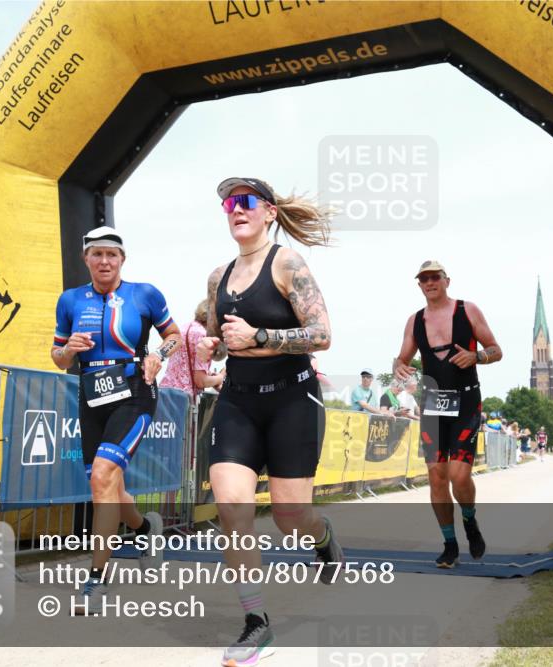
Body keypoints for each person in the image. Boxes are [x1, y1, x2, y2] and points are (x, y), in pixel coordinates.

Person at [195, 176, 343, 666]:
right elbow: (221, 336)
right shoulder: (218, 277)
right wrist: (211, 345)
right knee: (233, 506)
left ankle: (322, 539)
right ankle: (256, 623)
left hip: (291, 400)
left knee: (290, 519)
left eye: (245, 201)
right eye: (227, 204)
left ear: (268, 212)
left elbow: (322, 335)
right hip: (238, 400)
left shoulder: (287, 263)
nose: (234, 209)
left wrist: (259, 333)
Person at [50, 226, 180, 613]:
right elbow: (57, 357)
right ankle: (144, 529)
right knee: (106, 483)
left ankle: (97, 578)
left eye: (112, 254)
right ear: (86, 259)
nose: (104, 261)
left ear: (122, 259)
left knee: (103, 475)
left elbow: (172, 333)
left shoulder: (145, 294)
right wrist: (68, 350)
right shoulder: (70, 300)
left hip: (135, 391)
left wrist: (160, 353)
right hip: (92, 396)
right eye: (97, 254)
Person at [393, 260, 502, 568]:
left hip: (467, 401)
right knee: (437, 477)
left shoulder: (468, 311)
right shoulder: (415, 321)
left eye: (435, 277)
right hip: (434, 404)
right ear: (419, 285)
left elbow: (496, 349)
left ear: (446, 281)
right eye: (424, 279)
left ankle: (469, 520)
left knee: (459, 474)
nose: (430, 282)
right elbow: (400, 360)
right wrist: (399, 368)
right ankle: (450, 544)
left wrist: (477, 355)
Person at [160, 298, 226, 399]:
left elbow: (184, 367)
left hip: (165, 393)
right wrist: (220, 378)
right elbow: (200, 381)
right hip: (182, 400)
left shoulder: (184, 328)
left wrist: (210, 375)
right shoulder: (203, 336)